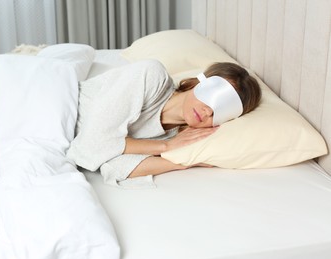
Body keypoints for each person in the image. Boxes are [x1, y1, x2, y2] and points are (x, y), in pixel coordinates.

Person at [67, 59, 261, 187]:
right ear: (198, 83)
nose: (208, 111)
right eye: (214, 97)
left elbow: (115, 167)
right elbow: (91, 144)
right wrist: (165, 146)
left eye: (221, 112)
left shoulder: (177, 138)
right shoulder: (152, 76)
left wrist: (186, 161)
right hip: (57, 105)